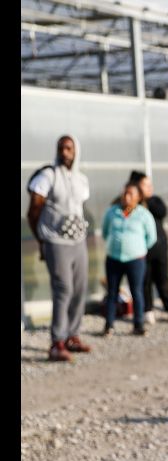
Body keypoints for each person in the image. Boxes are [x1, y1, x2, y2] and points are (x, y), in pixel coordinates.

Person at [26, 135, 92, 361]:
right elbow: (34, 210)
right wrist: (42, 239)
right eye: (61, 148)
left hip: (78, 241)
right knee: (63, 288)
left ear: (76, 151)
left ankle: (73, 335)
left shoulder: (81, 180)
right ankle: (57, 342)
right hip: (56, 242)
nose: (65, 152)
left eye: (69, 148)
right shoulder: (48, 176)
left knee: (79, 288)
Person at [128, 171, 168, 324]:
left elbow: (162, 211)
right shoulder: (131, 204)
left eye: (150, 185)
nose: (149, 187)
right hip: (141, 249)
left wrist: (147, 200)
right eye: (145, 185)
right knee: (145, 280)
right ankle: (148, 310)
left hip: (159, 247)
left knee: (162, 278)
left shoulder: (155, 201)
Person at [101, 182, 157, 337]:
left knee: (137, 291)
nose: (126, 197)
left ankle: (138, 324)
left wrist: (138, 249)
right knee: (112, 292)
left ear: (138, 197)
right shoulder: (112, 212)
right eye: (124, 193)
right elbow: (105, 232)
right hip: (114, 258)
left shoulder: (143, 215)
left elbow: (151, 237)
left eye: (130, 194)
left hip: (135, 259)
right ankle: (109, 325)